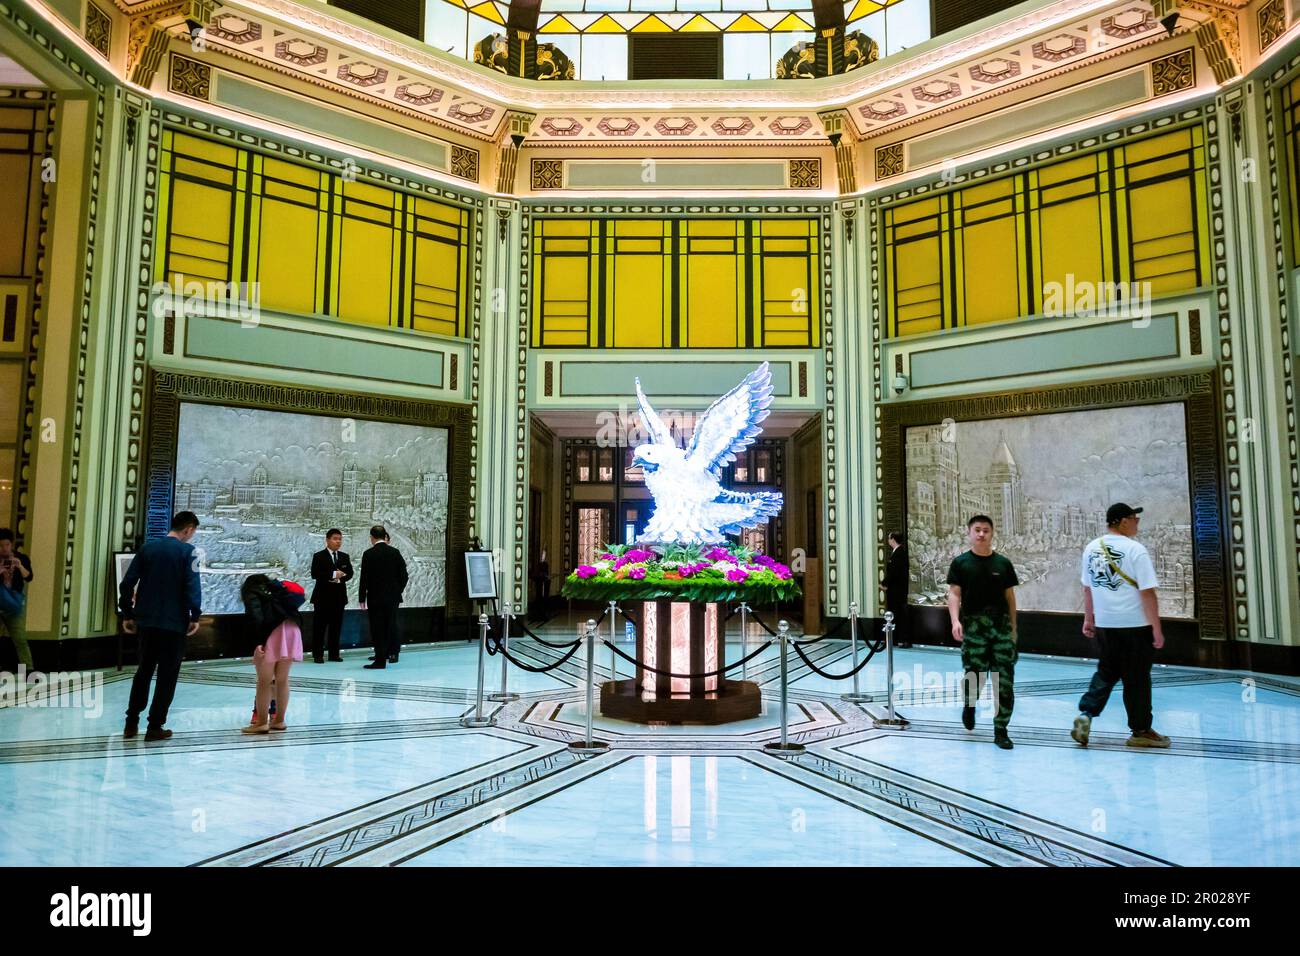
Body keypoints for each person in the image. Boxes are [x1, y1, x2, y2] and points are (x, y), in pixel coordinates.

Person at [1072, 503, 1170, 749]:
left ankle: (1087, 713)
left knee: (1106, 671)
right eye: (1134, 518)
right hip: (1135, 625)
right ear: (1123, 521)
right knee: (1136, 678)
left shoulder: (1091, 548)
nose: (1137, 522)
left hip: (1106, 625)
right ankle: (1141, 730)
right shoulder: (1135, 550)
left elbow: (1087, 587)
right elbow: (1147, 593)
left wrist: (1089, 618)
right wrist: (1156, 628)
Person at [118, 511, 203, 742]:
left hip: (146, 621)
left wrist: (127, 612)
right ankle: (155, 726)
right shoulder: (189, 553)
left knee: (143, 671)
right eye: (192, 532)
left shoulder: (148, 549)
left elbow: (127, 583)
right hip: (174, 624)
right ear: (188, 529)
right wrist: (195, 615)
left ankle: (131, 722)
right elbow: (192, 586)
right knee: (167, 675)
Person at [946, 514, 1020, 749]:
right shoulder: (961, 563)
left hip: (1001, 629)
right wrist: (955, 621)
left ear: (992, 533)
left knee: (1004, 681)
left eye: (986, 530)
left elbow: (1010, 597)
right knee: (974, 675)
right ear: (969, 533)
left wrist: (1014, 629)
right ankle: (969, 705)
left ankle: (1001, 729)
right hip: (974, 628)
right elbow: (954, 594)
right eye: (977, 530)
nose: (981, 534)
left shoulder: (1003, 564)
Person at [239, 575, 306, 734]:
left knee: (264, 681)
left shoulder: (251, 592)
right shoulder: (277, 589)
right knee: (282, 679)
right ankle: (279, 720)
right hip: (292, 628)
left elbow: (256, 617)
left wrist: (259, 642)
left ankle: (261, 723)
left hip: (271, 631)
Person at [359, 525, 408, 670]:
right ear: (384, 536)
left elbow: (364, 579)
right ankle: (391, 653)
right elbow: (404, 576)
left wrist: (362, 598)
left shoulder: (368, 554)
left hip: (375, 598)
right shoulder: (395, 552)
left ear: (372, 537)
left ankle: (380, 658)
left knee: (377, 628)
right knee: (392, 624)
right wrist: (397, 591)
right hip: (392, 598)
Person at [309, 529, 353, 663]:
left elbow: (350, 573)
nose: (338, 541)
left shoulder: (344, 556)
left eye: (340, 539)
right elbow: (315, 574)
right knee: (319, 627)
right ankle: (318, 655)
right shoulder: (319, 556)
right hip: (322, 598)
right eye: (335, 538)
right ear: (327, 540)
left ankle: (334, 654)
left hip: (339, 598)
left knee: (336, 627)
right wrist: (334, 574)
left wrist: (340, 578)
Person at [0, 528, 34, 671]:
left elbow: (29, 577)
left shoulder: (22, 558)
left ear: (12, 544)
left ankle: (28, 669)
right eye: (1, 545)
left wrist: (20, 566)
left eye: (7, 545)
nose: (4, 548)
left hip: (13, 605)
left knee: (19, 638)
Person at [884, 531, 911, 648]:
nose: (888, 540)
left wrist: (884, 583)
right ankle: (893, 639)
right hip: (897, 590)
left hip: (897, 591)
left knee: (896, 614)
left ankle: (899, 639)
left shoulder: (899, 554)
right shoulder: (899, 553)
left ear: (893, 539)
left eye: (889, 538)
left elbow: (894, 573)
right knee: (895, 614)